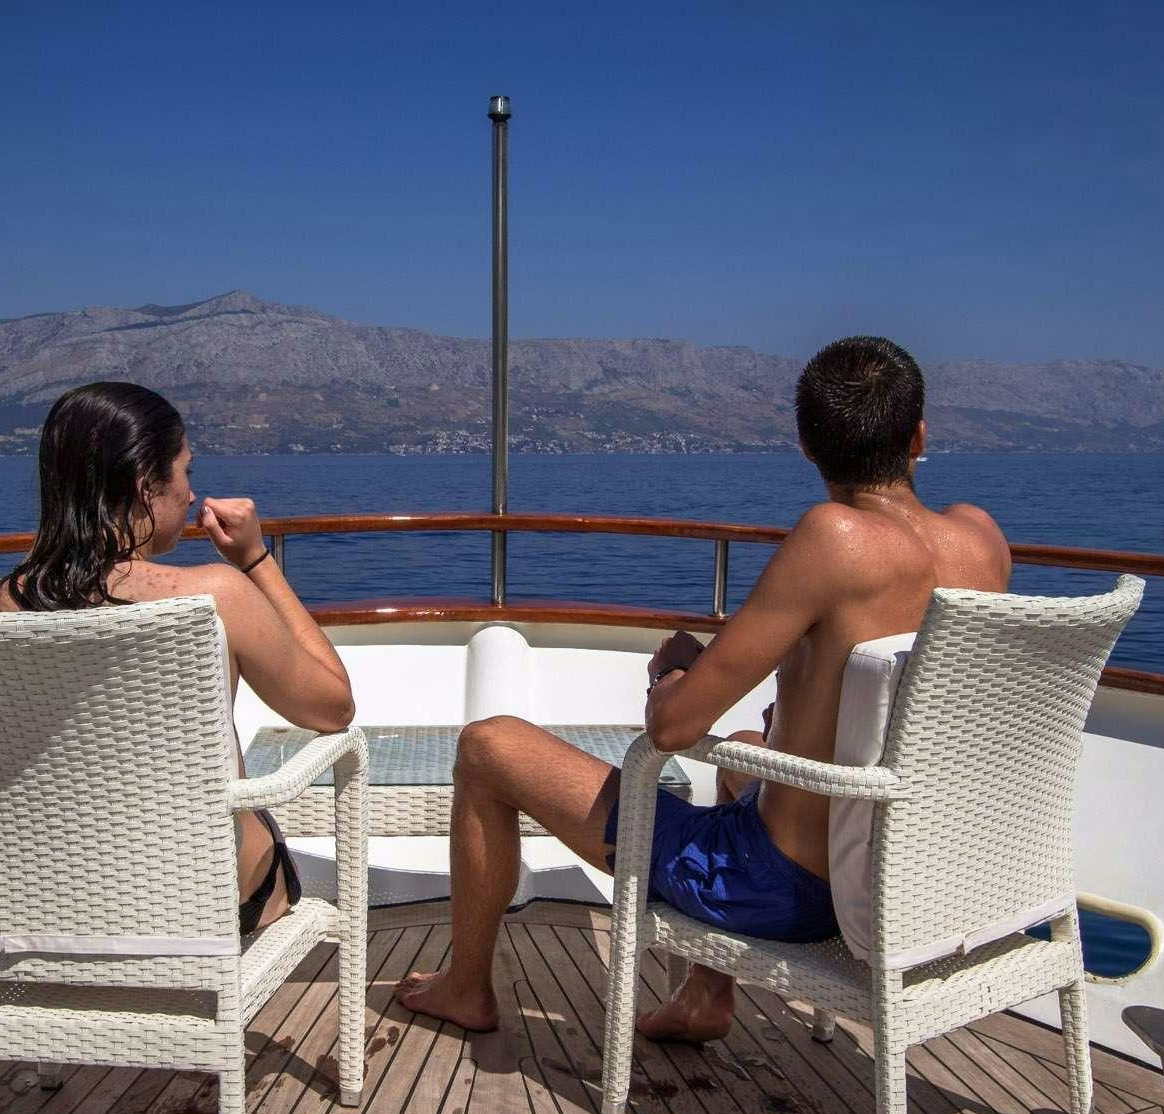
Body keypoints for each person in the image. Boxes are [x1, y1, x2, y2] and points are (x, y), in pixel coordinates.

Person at [394, 336, 1010, 1038]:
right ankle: (703, 998)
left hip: (790, 892)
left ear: (807, 446)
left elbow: (673, 729)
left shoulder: (835, 538)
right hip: (920, 873)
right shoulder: (980, 539)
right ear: (920, 435)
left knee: (486, 746)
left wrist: (675, 672)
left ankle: (465, 986)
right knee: (749, 745)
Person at [0, 381, 355, 934]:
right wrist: (256, 560)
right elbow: (334, 708)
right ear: (148, 486)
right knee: (252, 819)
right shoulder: (216, 596)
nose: (191, 494)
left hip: (44, 903)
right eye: (186, 472)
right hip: (197, 903)